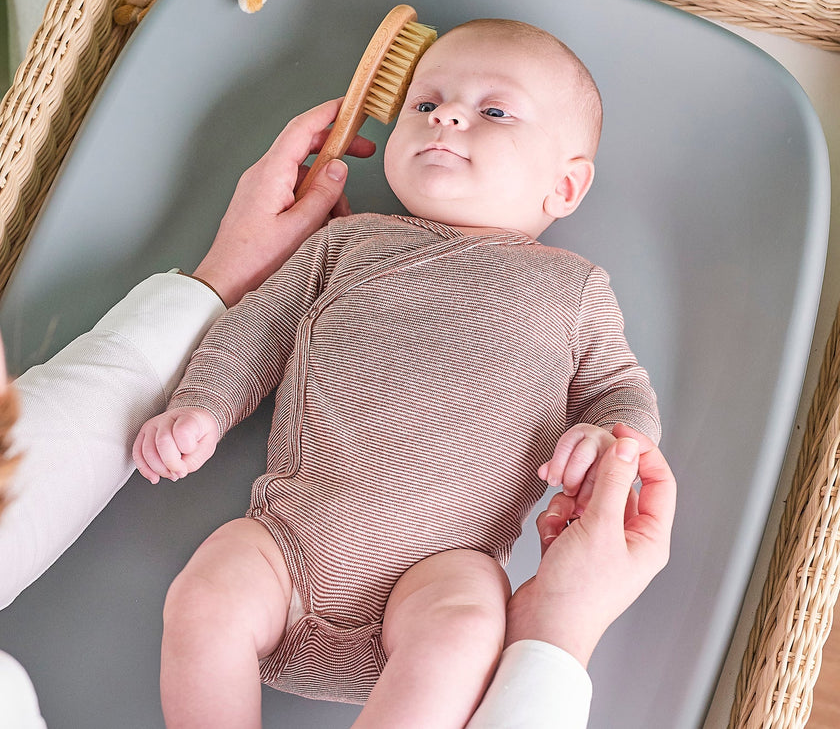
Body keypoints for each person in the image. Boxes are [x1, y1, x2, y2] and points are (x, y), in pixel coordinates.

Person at [0, 87, 674, 729]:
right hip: (289, 543)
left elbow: (622, 391)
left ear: (565, 184)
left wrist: (604, 435)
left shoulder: (572, 289)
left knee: (469, 628)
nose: (446, 119)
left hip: (442, 567)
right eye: (426, 104)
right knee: (204, 598)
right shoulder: (345, 245)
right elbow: (258, 327)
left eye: (493, 111)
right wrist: (201, 408)